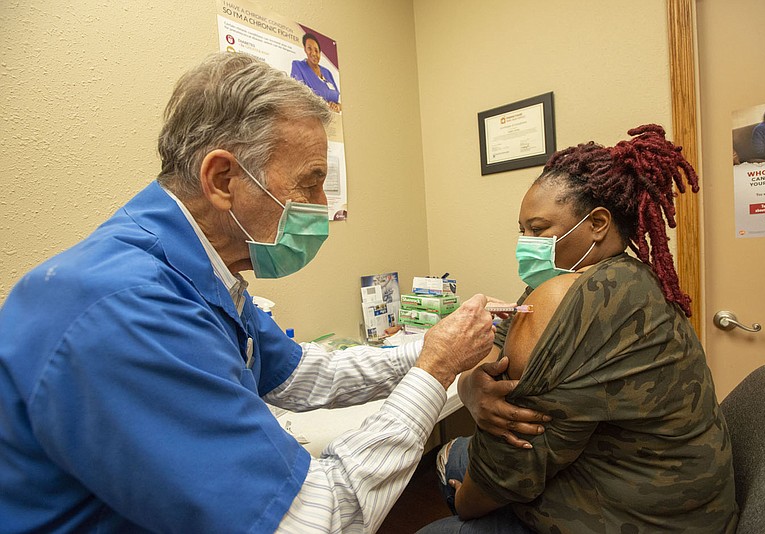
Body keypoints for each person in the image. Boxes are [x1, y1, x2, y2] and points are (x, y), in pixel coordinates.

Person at [0, 52, 526, 533]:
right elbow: (312, 521)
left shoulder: (198, 273)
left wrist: (438, 344)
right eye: (310, 182)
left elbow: (305, 375)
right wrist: (434, 371)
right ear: (224, 178)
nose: (322, 207)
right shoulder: (126, 308)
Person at [420, 125, 739, 533]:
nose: (526, 242)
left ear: (598, 224)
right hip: (658, 483)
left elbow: (514, 455)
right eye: (522, 230)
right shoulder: (608, 275)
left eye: (538, 230)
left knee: (444, 511)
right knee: (455, 453)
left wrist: (465, 502)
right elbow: (498, 346)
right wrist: (470, 385)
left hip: (655, 518)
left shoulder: (578, 296)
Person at [291, 32, 341, 112]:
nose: (313, 53)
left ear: (320, 53)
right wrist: (326, 106)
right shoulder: (298, 66)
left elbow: (339, 102)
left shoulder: (327, 72)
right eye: (309, 49)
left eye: (316, 50)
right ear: (305, 49)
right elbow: (297, 96)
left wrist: (336, 106)